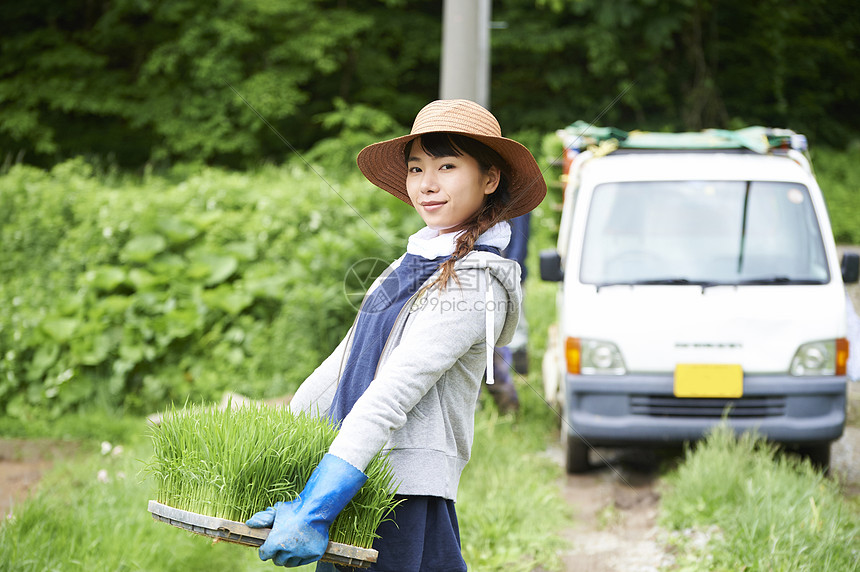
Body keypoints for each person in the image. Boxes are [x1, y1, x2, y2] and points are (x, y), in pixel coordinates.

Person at [245, 99, 546, 570]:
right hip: (353, 480)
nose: (427, 184)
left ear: (489, 180)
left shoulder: (476, 281)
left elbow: (391, 392)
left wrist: (316, 504)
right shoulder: (408, 266)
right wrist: (270, 461)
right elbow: (341, 368)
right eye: (416, 168)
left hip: (401, 496)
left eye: (447, 166)